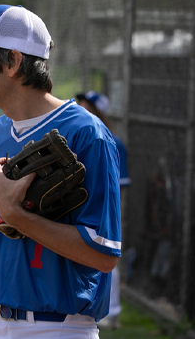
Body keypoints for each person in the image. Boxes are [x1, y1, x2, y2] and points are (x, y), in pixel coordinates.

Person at [0, 4, 121, 339]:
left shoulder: (86, 134)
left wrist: (17, 215)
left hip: (55, 327)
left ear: (12, 61)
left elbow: (104, 254)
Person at [76, 91, 131, 330]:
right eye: (81, 103)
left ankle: (113, 311)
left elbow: (119, 186)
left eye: (88, 104)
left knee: (108, 256)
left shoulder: (113, 141)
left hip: (105, 207)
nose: (81, 106)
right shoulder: (80, 133)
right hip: (84, 205)